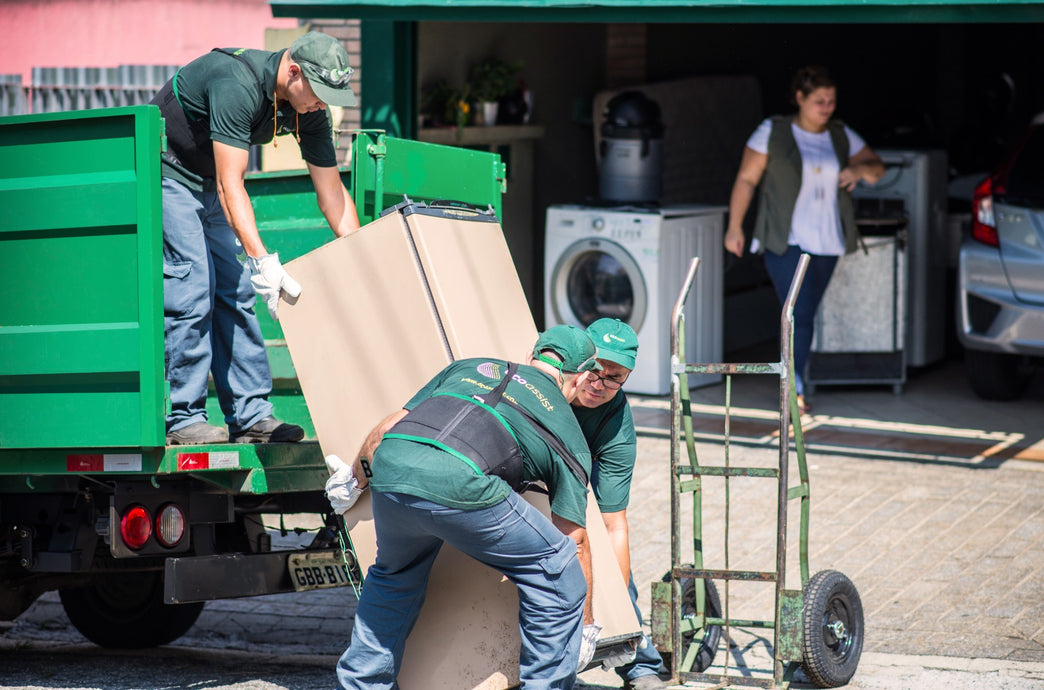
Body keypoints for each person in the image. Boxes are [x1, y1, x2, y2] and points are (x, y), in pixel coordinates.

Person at [325, 325, 608, 690]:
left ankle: (362, 684)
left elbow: (386, 430)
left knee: (394, 575)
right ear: (583, 376)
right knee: (559, 573)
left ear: (532, 356)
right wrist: (585, 628)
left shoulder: (470, 366)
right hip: (464, 481)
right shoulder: (568, 430)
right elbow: (576, 541)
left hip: (393, 466)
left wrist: (352, 482)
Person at [152, 31, 361, 445]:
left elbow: (333, 195)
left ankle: (251, 417)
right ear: (293, 71)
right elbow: (234, 187)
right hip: (169, 172)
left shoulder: (308, 110)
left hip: (209, 181)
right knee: (193, 288)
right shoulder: (237, 83)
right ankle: (184, 419)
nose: (321, 104)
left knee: (236, 292)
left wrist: (359, 259)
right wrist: (263, 260)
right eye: (318, 92)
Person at [724, 65, 884, 413]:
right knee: (798, 311)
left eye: (831, 101)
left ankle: (794, 381)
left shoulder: (841, 135)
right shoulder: (773, 130)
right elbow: (746, 180)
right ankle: (792, 387)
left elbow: (877, 167)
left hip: (828, 240)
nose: (827, 107)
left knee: (805, 314)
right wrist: (735, 227)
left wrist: (857, 170)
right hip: (785, 239)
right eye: (819, 101)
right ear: (799, 98)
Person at [571, 318, 665, 690]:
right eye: (595, 369)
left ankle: (640, 663)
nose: (600, 383)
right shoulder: (548, 382)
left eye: (615, 377)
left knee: (606, 565)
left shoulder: (617, 426)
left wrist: (618, 598)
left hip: (579, 478)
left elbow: (614, 525)